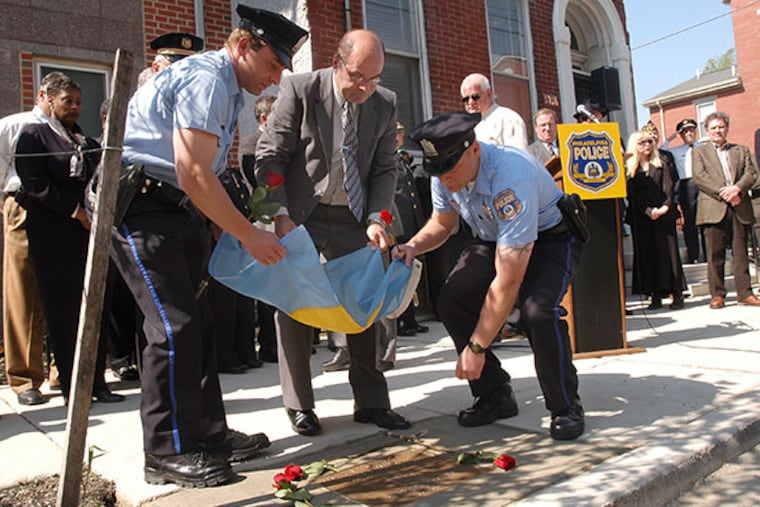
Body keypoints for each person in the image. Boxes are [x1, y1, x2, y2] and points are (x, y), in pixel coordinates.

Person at [111, 6, 308, 487]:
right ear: (244, 45)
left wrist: (245, 221)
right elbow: (193, 170)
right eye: (274, 63)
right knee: (173, 328)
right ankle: (167, 450)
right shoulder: (206, 78)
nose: (277, 77)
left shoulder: (225, 86)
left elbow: (211, 171)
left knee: (197, 325)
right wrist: (247, 234)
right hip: (143, 209)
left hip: (176, 210)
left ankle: (207, 434)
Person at [255, 29, 411, 437]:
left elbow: (384, 168)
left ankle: (371, 401)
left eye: (374, 79)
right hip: (300, 215)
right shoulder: (300, 89)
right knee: (295, 306)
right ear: (337, 63)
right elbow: (270, 156)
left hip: (354, 217)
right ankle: (300, 405)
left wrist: (380, 218)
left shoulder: (384, 103)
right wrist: (279, 213)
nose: (365, 88)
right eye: (358, 77)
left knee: (363, 305)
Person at [396, 111, 586, 440]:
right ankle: (495, 393)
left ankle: (565, 405)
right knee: (453, 299)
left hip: (551, 239)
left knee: (537, 311)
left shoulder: (511, 173)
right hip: (494, 238)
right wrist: (412, 246)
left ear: (474, 150)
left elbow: (508, 280)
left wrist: (477, 347)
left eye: (450, 170)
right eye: (437, 172)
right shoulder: (444, 173)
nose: (444, 180)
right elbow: (443, 224)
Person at [14, 75, 125, 406]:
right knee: (64, 314)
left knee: (96, 307)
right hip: (55, 237)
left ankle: (98, 383)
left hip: (88, 238)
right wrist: (76, 212)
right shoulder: (34, 136)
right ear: (47, 99)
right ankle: (72, 387)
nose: (75, 107)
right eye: (68, 101)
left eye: (78, 102)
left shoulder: (82, 139)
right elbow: (36, 184)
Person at [0, 72, 61, 405]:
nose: (69, 106)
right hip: (22, 204)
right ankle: (25, 377)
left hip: (60, 211)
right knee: (24, 291)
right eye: (62, 98)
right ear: (43, 95)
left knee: (61, 290)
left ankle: (60, 368)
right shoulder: (15, 125)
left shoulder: (67, 133)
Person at [692, 112, 760, 310]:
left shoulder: (741, 150)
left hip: (739, 205)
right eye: (713, 128)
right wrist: (725, 193)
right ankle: (718, 295)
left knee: (740, 253)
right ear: (707, 130)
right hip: (713, 207)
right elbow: (700, 177)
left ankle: (745, 293)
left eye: (721, 127)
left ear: (727, 128)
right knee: (715, 255)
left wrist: (737, 189)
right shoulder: (699, 152)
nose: (717, 131)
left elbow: (751, 173)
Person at [623, 130, 686, 310]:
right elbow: (631, 194)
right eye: (642, 142)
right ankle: (654, 295)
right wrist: (647, 210)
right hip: (642, 218)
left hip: (663, 217)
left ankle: (677, 294)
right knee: (647, 256)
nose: (647, 146)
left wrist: (664, 207)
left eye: (650, 142)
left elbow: (669, 187)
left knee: (669, 256)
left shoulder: (662, 163)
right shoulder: (630, 169)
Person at [393, 122, 428, 337]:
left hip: (412, 223)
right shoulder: (385, 158)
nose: (399, 136)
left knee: (410, 273)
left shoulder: (401, 158)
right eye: (396, 133)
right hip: (399, 225)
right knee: (399, 273)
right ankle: (400, 320)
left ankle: (410, 319)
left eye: (401, 132)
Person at [662, 119, 704, 264]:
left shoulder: (703, 146)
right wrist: (672, 137)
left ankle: (708, 252)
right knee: (690, 221)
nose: (689, 134)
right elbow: (661, 149)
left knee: (707, 220)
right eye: (685, 131)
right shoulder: (677, 150)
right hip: (687, 185)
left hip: (704, 183)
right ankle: (694, 255)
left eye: (691, 130)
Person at [460, 73, 527, 149]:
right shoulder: (467, 128)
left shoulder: (507, 118)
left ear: (489, 93)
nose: (470, 102)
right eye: (465, 99)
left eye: (475, 97)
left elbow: (518, 156)